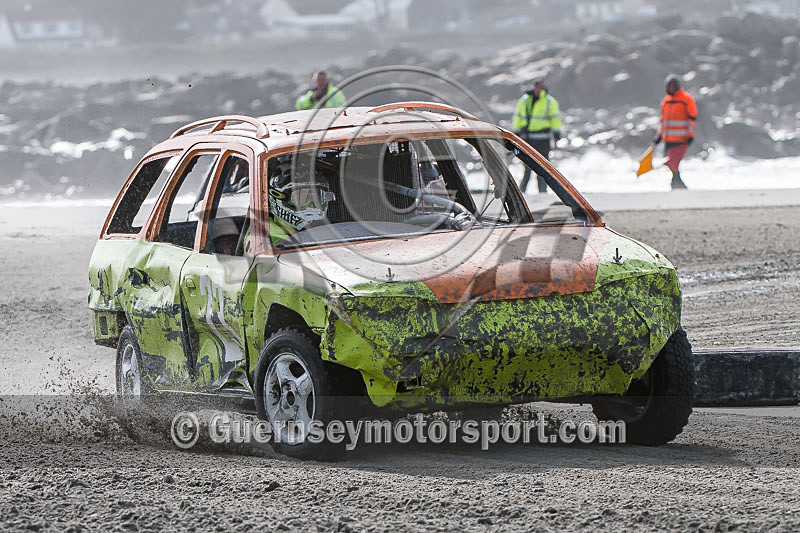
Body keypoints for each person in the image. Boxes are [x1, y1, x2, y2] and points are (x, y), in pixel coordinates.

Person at [267, 157, 336, 245]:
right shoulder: (268, 238)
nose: (311, 206)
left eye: (317, 198)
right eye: (302, 198)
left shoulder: (328, 229)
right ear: (278, 197)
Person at [511, 80, 562, 193]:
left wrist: (556, 134)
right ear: (534, 87)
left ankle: (542, 192)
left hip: (543, 139)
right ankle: (522, 192)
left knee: (543, 168)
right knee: (527, 168)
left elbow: (555, 119)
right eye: (539, 86)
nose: (541, 89)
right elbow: (518, 117)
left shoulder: (549, 101)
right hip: (528, 139)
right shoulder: (525, 100)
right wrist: (516, 133)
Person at [653, 74, 697, 190]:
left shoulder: (686, 99)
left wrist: (690, 135)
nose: (671, 88)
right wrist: (659, 136)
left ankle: (677, 183)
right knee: (671, 163)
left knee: (672, 162)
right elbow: (663, 121)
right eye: (669, 85)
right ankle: (677, 183)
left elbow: (692, 119)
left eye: (673, 85)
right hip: (668, 139)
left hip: (681, 139)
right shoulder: (666, 101)